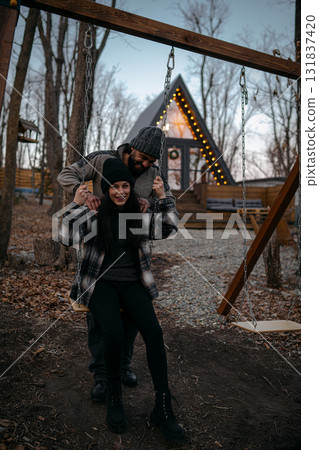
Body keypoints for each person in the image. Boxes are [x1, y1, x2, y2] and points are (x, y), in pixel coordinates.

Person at [59, 158, 185, 442]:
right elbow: (65, 237)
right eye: (114, 187)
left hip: (132, 283)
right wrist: (77, 204)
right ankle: (115, 397)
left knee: (153, 331)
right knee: (113, 330)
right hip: (100, 283)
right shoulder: (94, 213)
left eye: (125, 186)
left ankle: (163, 406)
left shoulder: (138, 213)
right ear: (106, 189)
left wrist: (164, 197)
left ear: (131, 188)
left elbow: (169, 227)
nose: (120, 192)